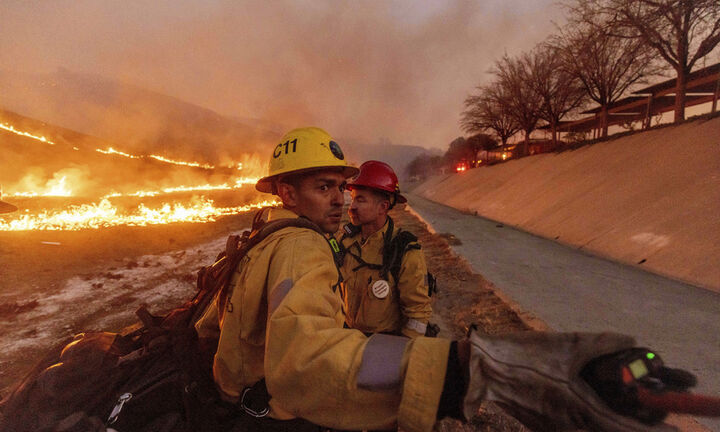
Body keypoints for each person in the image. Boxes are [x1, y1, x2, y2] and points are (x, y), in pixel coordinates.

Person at [195, 126, 679, 432]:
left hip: (249, 400)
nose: (342, 200)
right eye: (325, 188)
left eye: (343, 187)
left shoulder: (264, 239)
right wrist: (460, 371)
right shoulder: (304, 247)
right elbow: (308, 359)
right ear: (287, 191)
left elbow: (212, 328)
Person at [340, 160, 432, 338]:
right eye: (352, 200)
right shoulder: (345, 241)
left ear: (382, 207)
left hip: (383, 344)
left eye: (360, 200)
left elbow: (418, 314)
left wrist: (399, 354)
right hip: (346, 341)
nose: (352, 207)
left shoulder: (405, 251)